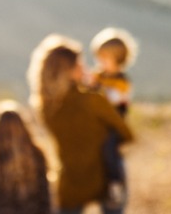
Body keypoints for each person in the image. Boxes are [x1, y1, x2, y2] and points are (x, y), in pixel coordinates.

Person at [29, 34, 135, 214]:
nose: (87, 68)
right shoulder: (92, 101)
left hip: (70, 182)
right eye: (80, 64)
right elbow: (126, 134)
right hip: (105, 179)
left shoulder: (45, 108)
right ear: (70, 70)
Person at [87, 27, 139, 209]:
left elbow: (113, 99)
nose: (99, 62)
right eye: (98, 58)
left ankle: (115, 182)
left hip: (114, 126)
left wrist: (97, 88)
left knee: (109, 149)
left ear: (117, 59)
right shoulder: (98, 76)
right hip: (97, 124)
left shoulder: (122, 81)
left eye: (104, 58)